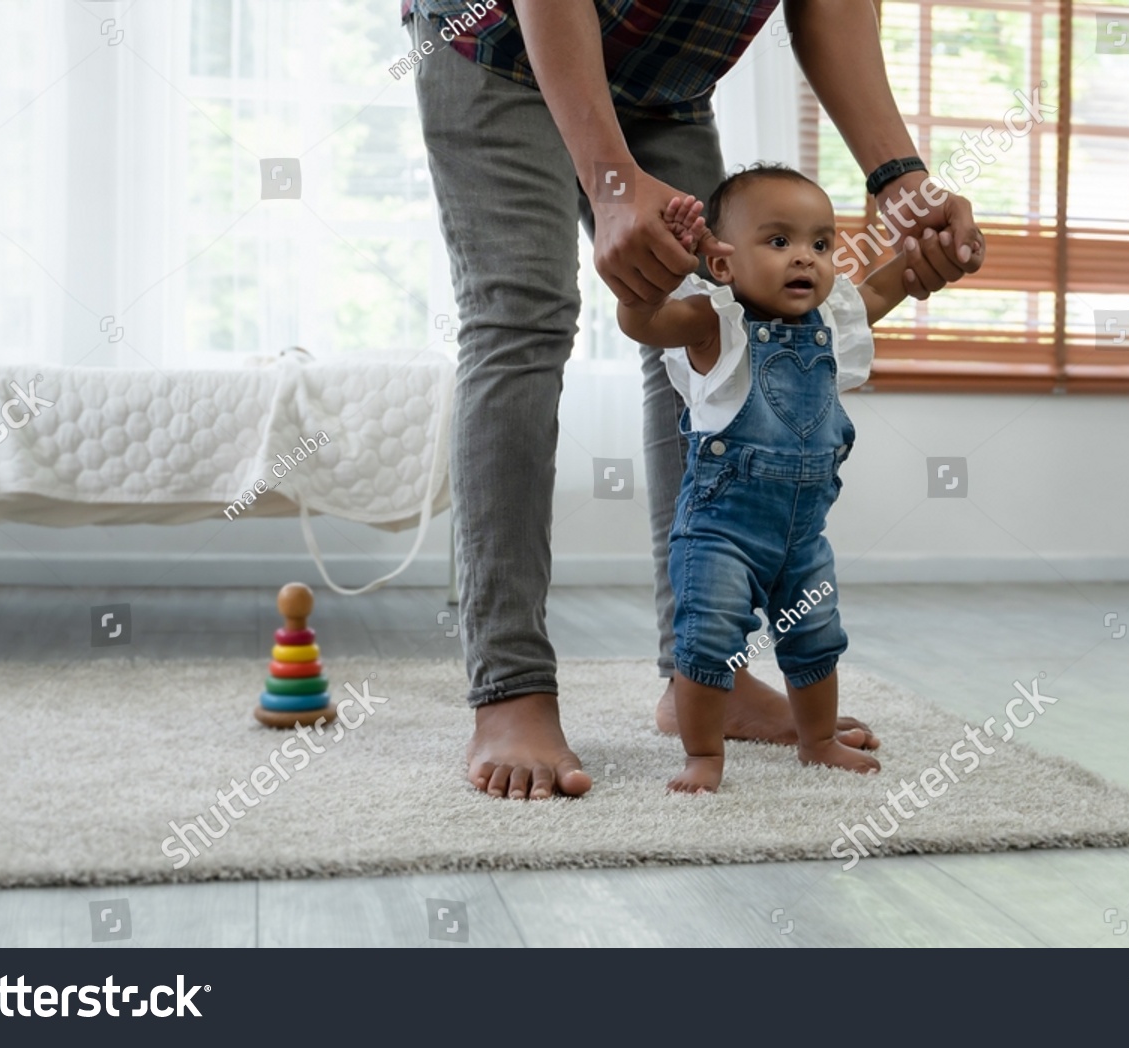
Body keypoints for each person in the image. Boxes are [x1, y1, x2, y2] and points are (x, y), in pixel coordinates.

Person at [403, 0, 985, 799]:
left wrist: (900, 183)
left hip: (665, 78)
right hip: (497, 39)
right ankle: (512, 688)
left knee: (713, 319)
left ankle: (702, 678)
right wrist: (610, 182)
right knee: (520, 316)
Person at [619, 169, 907, 791]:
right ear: (722, 264)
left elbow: (884, 290)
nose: (805, 256)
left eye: (821, 244)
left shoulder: (831, 321)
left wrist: (922, 256)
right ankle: (703, 756)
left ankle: (818, 740)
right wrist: (654, 283)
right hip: (720, 535)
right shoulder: (712, 324)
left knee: (818, 638)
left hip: (802, 540)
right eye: (779, 242)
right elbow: (642, 323)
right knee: (707, 642)